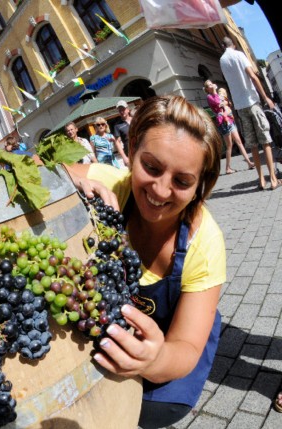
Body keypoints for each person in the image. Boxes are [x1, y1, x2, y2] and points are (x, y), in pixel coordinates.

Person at [68, 95, 225, 429]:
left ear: (200, 186)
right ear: (132, 148)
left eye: (182, 181)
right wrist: (66, 184)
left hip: (174, 331)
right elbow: (36, 168)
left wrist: (154, 360)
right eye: (151, 167)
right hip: (116, 322)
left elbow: (185, 347)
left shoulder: (206, 242)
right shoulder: (112, 184)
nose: (161, 190)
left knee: (156, 408)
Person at [219, 36, 278, 190]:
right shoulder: (239, 55)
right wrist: (266, 97)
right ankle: (272, 179)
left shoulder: (222, 60)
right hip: (252, 102)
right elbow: (252, 76)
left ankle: (261, 180)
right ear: (234, 44)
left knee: (252, 144)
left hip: (239, 107)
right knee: (265, 141)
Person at [204, 79, 255, 174]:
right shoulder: (209, 96)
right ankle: (227, 168)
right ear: (207, 89)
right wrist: (216, 93)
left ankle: (249, 163)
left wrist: (225, 102)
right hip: (223, 122)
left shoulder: (217, 94)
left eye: (212, 83)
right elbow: (217, 103)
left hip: (229, 120)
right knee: (229, 145)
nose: (212, 85)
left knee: (239, 142)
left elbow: (226, 102)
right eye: (209, 85)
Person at [113, 100, 132, 166]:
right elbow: (117, 142)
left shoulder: (136, 119)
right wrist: (124, 157)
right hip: (130, 153)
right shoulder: (117, 126)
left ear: (128, 109)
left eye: (123, 109)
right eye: (119, 110)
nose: (122, 112)